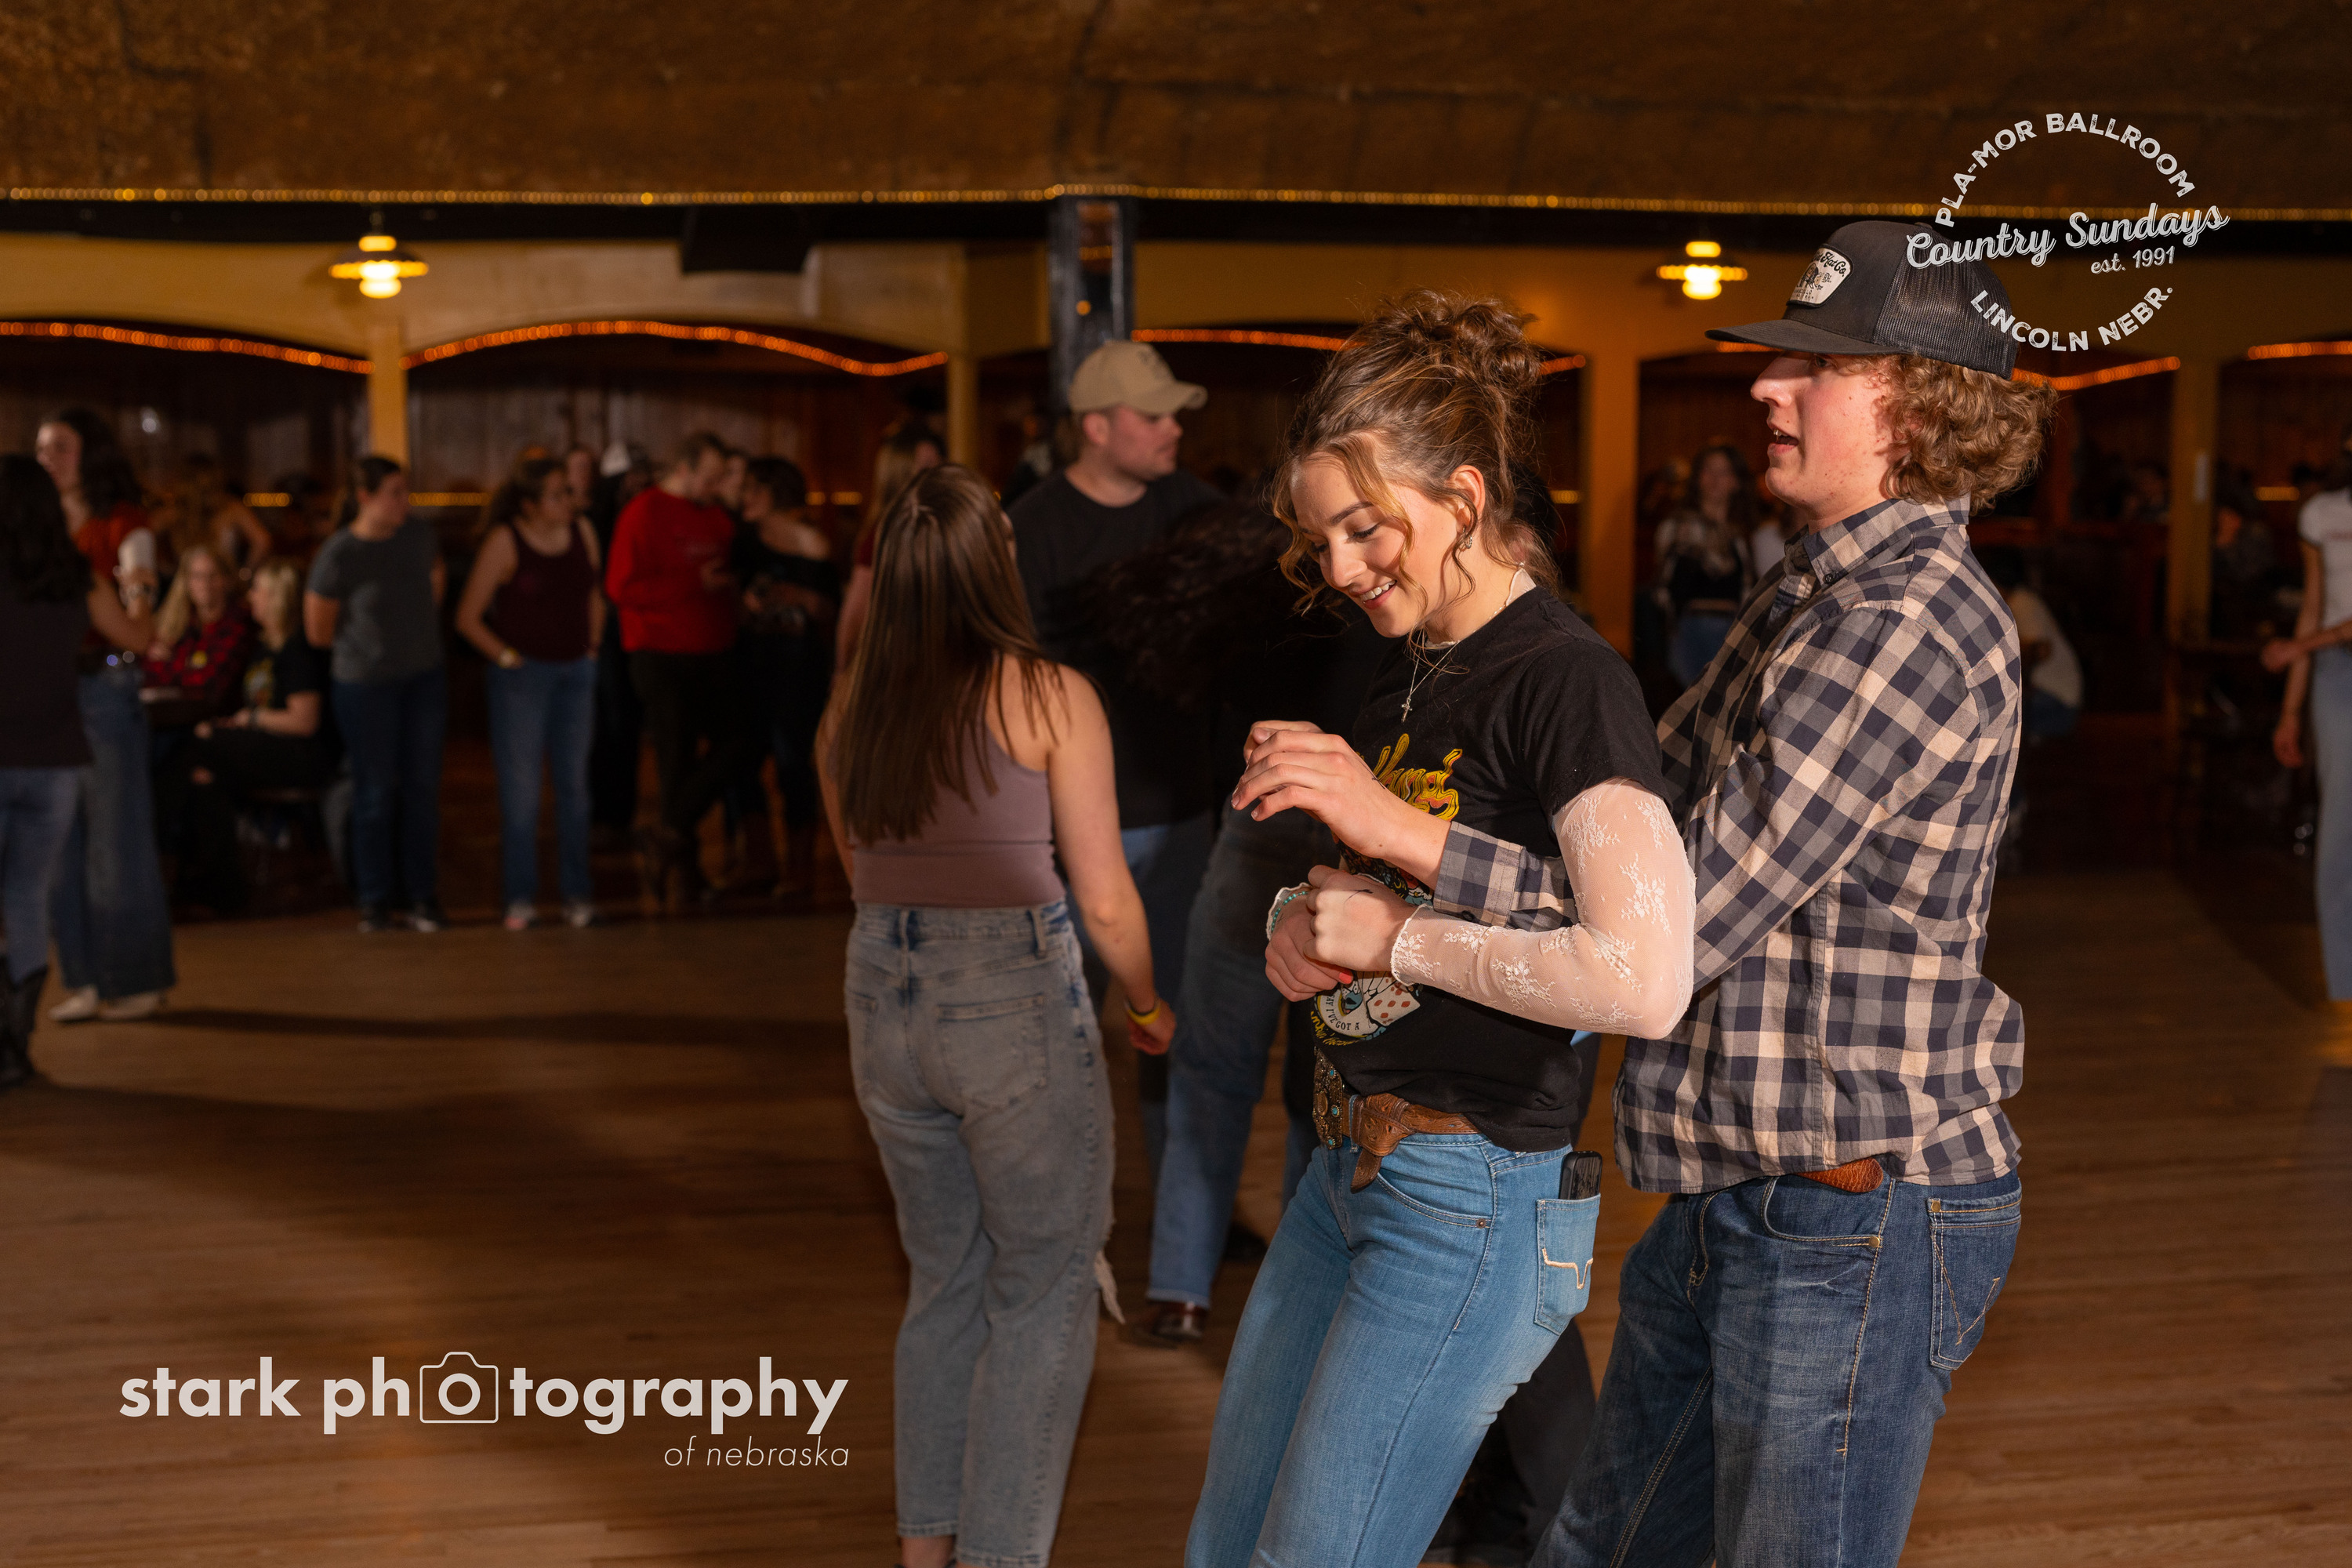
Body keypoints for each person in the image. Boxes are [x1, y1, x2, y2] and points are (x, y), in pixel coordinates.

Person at [1422, 223, 2052, 1568]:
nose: (1768, 384)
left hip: (1849, 1213)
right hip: (1749, 1192)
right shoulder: (1813, 591)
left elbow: (1666, 921)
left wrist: (1417, 880)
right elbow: (1632, 826)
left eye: (1815, 366)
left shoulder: (1897, 625)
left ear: (1921, 404)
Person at [1186, 293, 1695, 1566]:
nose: (1342, 569)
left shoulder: (1568, 679)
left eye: (1366, 530)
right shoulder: (1412, 665)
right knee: (1229, 1545)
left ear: (1464, 499)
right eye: (1323, 540)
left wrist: (1391, 906)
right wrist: (1306, 917)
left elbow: (1640, 976)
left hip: (1469, 1196)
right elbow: (1416, 891)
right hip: (1343, 1167)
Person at [818, 463, 1175, 1568]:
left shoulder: (850, 708)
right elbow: (1105, 898)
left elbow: (861, 873)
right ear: (995, 564)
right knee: (1045, 1283)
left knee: (945, 1281)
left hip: (883, 993)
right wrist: (1148, 1003)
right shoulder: (1049, 696)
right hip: (1009, 1000)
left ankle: (925, 1555)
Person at [1081, 501, 1384, 1348]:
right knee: (1321, 1079)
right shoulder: (1390, 593)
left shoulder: (1256, 586)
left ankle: (1181, 1290)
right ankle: (1301, 1296)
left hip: (1265, 824)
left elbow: (1219, 719)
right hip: (1358, 837)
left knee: (1213, 1068)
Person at [1010, 339, 1224, 1178]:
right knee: (1053, 1035)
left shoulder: (1195, 510)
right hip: (1065, 829)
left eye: (1176, 414)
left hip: (1179, 817)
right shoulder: (1033, 529)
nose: (1174, 429)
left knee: (1175, 1028)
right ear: (1096, 427)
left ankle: (1182, 1215)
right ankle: (1055, 1210)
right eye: (1154, 415)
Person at [0, 454, 152, 1084]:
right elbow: (137, 639)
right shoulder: (75, 576)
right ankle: (15, 1046)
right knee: (27, 896)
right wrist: (139, 588)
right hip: (56, 757)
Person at [35, 408, 176, 1024]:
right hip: (46, 692)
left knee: (115, 839)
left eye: (61, 448)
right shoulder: (35, 527)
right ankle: (86, 978)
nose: (49, 460)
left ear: (89, 454)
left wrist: (137, 594)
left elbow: (136, 607)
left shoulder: (119, 523)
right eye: (43, 449)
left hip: (102, 683)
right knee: (57, 844)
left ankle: (134, 978)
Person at [454, 456, 604, 931]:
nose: (568, 503)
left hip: (575, 673)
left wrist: (593, 647)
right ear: (530, 505)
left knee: (575, 789)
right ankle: (519, 897)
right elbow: (468, 617)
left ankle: (577, 894)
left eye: (569, 493)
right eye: (557, 495)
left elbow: (594, 592)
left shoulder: (583, 532)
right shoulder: (506, 541)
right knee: (522, 792)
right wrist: (506, 658)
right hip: (524, 680)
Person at [305, 456, 450, 933]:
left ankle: (421, 895)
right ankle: (374, 898)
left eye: (406, 491)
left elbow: (435, 581)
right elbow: (318, 630)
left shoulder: (418, 537)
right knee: (374, 789)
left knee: (422, 788)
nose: (404, 502)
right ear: (365, 497)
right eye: (394, 493)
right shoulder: (341, 553)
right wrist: (368, 646)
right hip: (366, 685)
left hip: (422, 677)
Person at [604, 430, 745, 909]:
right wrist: (693, 582)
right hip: (661, 653)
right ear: (684, 470)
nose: (717, 486)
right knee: (675, 760)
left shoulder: (716, 515)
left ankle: (665, 834)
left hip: (715, 649)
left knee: (740, 741)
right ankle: (688, 876)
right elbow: (621, 588)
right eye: (710, 477)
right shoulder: (644, 512)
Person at [155, 558, 333, 916]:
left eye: (257, 590)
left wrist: (248, 719)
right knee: (203, 781)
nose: (250, 597)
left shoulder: (295, 649)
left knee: (194, 749)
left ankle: (158, 852)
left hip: (297, 754)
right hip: (264, 746)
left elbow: (304, 721)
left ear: (276, 597)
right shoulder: (264, 645)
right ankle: (217, 889)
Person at [2263, 420, 2352, 1000]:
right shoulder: (2322, 514)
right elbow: (2313, 607)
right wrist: (2290, 711)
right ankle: (2346, 989)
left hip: (2324, 653)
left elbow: (2312, 635)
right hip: (2337, 674)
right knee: (2340, 826)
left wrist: (2301, 648)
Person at [731, 456, 840, 896]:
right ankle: (758, 862)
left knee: (793, 764)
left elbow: (831, 612)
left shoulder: (812, 544)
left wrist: (798, 596)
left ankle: (800, 869)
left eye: (754, 489)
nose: (745, 497)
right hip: (749, 665)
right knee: (742, 762)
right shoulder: (744, 542)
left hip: (798, 668)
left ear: (776, 493)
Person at [833, 423, 943, 669]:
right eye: (926, 466)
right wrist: (842, 672)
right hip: (897, 659)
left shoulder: (934, 525)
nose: (936, 472)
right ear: (900, 473)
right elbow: (856, 613)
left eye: (939, 463)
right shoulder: (884, 532)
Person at [1653, 442, 1758, 688]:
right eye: (1708, 470)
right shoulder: (1677, 527)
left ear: (1736, 481)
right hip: (1691, 630)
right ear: (1697, 477)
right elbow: (1661, 588)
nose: (1715, 479)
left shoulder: (1741, 534)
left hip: (1734, 633)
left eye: (1724, 472)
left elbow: (1748, 590)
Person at [141, 543, 254, 719]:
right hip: (176, 717)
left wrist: (171, 661)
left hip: (221, 721)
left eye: (213, 576)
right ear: (187, 582)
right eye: (197, 576)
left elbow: (210, 684)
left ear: (227, 579)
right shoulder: (180, 621)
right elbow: (147, 671)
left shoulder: (239, 622)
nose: (204, 584)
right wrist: (185, 666)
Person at [1980, 545, 2081, 740]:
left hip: (2059, 705)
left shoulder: (2022, 602)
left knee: (1988, 717)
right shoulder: (2018, 600)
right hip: (2054, 700)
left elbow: (2041, 650)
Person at [153, 452, 272, 576]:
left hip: (220, 582)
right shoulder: (175, 512)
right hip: (196, 583)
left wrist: (243, 575)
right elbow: (262, 541)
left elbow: (262, 541)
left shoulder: (230, 509)